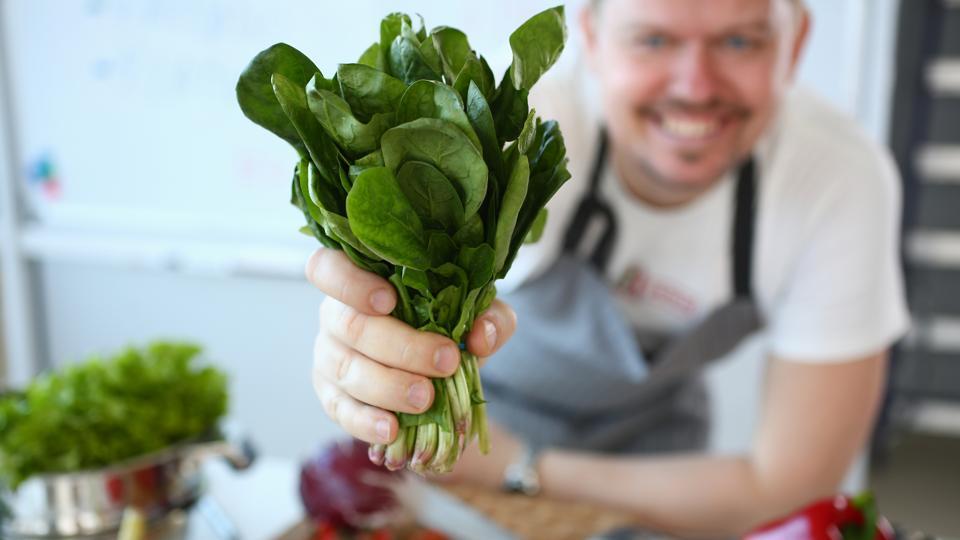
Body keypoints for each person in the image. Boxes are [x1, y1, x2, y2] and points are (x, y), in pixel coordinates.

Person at [304, 0, 909, 535]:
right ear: (589, 36)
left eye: (740, 41)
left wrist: (521, 469)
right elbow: (390, 339)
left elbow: (789, 489)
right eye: (653, 39)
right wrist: (367, 357)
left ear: (797, 40)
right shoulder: (521, 135)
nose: (696, 86)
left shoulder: (835, 179)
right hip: (467, 450)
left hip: (659, 475)